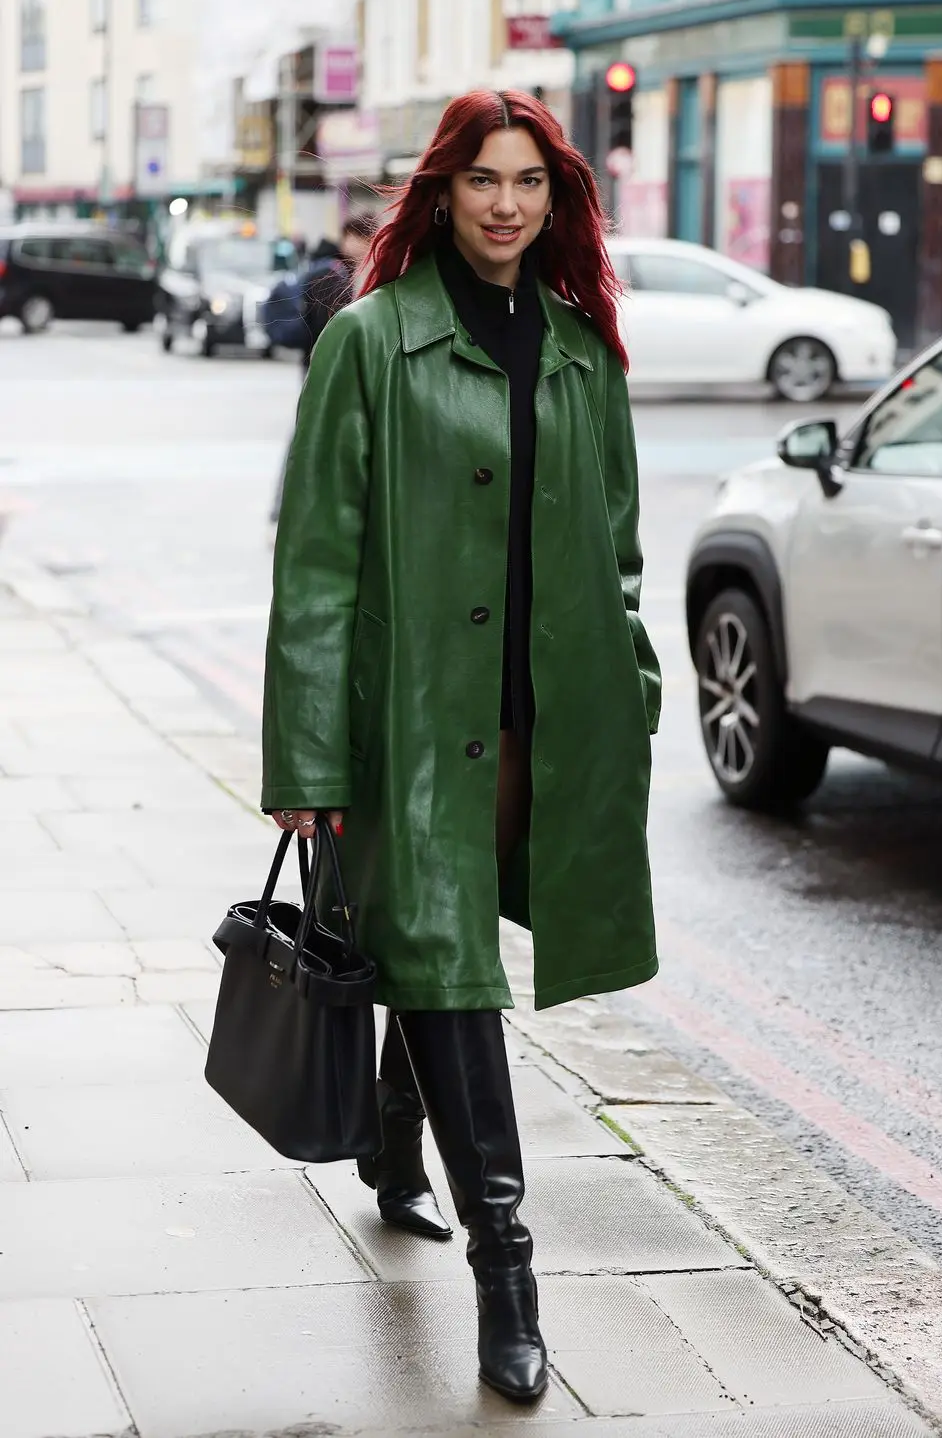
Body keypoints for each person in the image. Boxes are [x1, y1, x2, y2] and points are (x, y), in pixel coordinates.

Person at [263, 90, 661, 1403]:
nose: (507, 204)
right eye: (484, 179)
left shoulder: (581, 351)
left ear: (557, 199)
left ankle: (391, 1140)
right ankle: (508, 1269)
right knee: (448, 959)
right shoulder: (369, 344)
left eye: (530, 183)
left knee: (441, 951)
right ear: (441, 193)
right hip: (413, 728)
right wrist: (309, 767)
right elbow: (315, 566)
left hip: (546, 730)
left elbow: (617, 554)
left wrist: (636, 691)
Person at [268, 215, 378, 527]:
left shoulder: (367, 272)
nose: (363, 243)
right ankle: (283, 513)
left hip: (353, 375)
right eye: (358, 236)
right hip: (320, 372)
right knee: (307, 441)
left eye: (367, 237)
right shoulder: (327, 274)